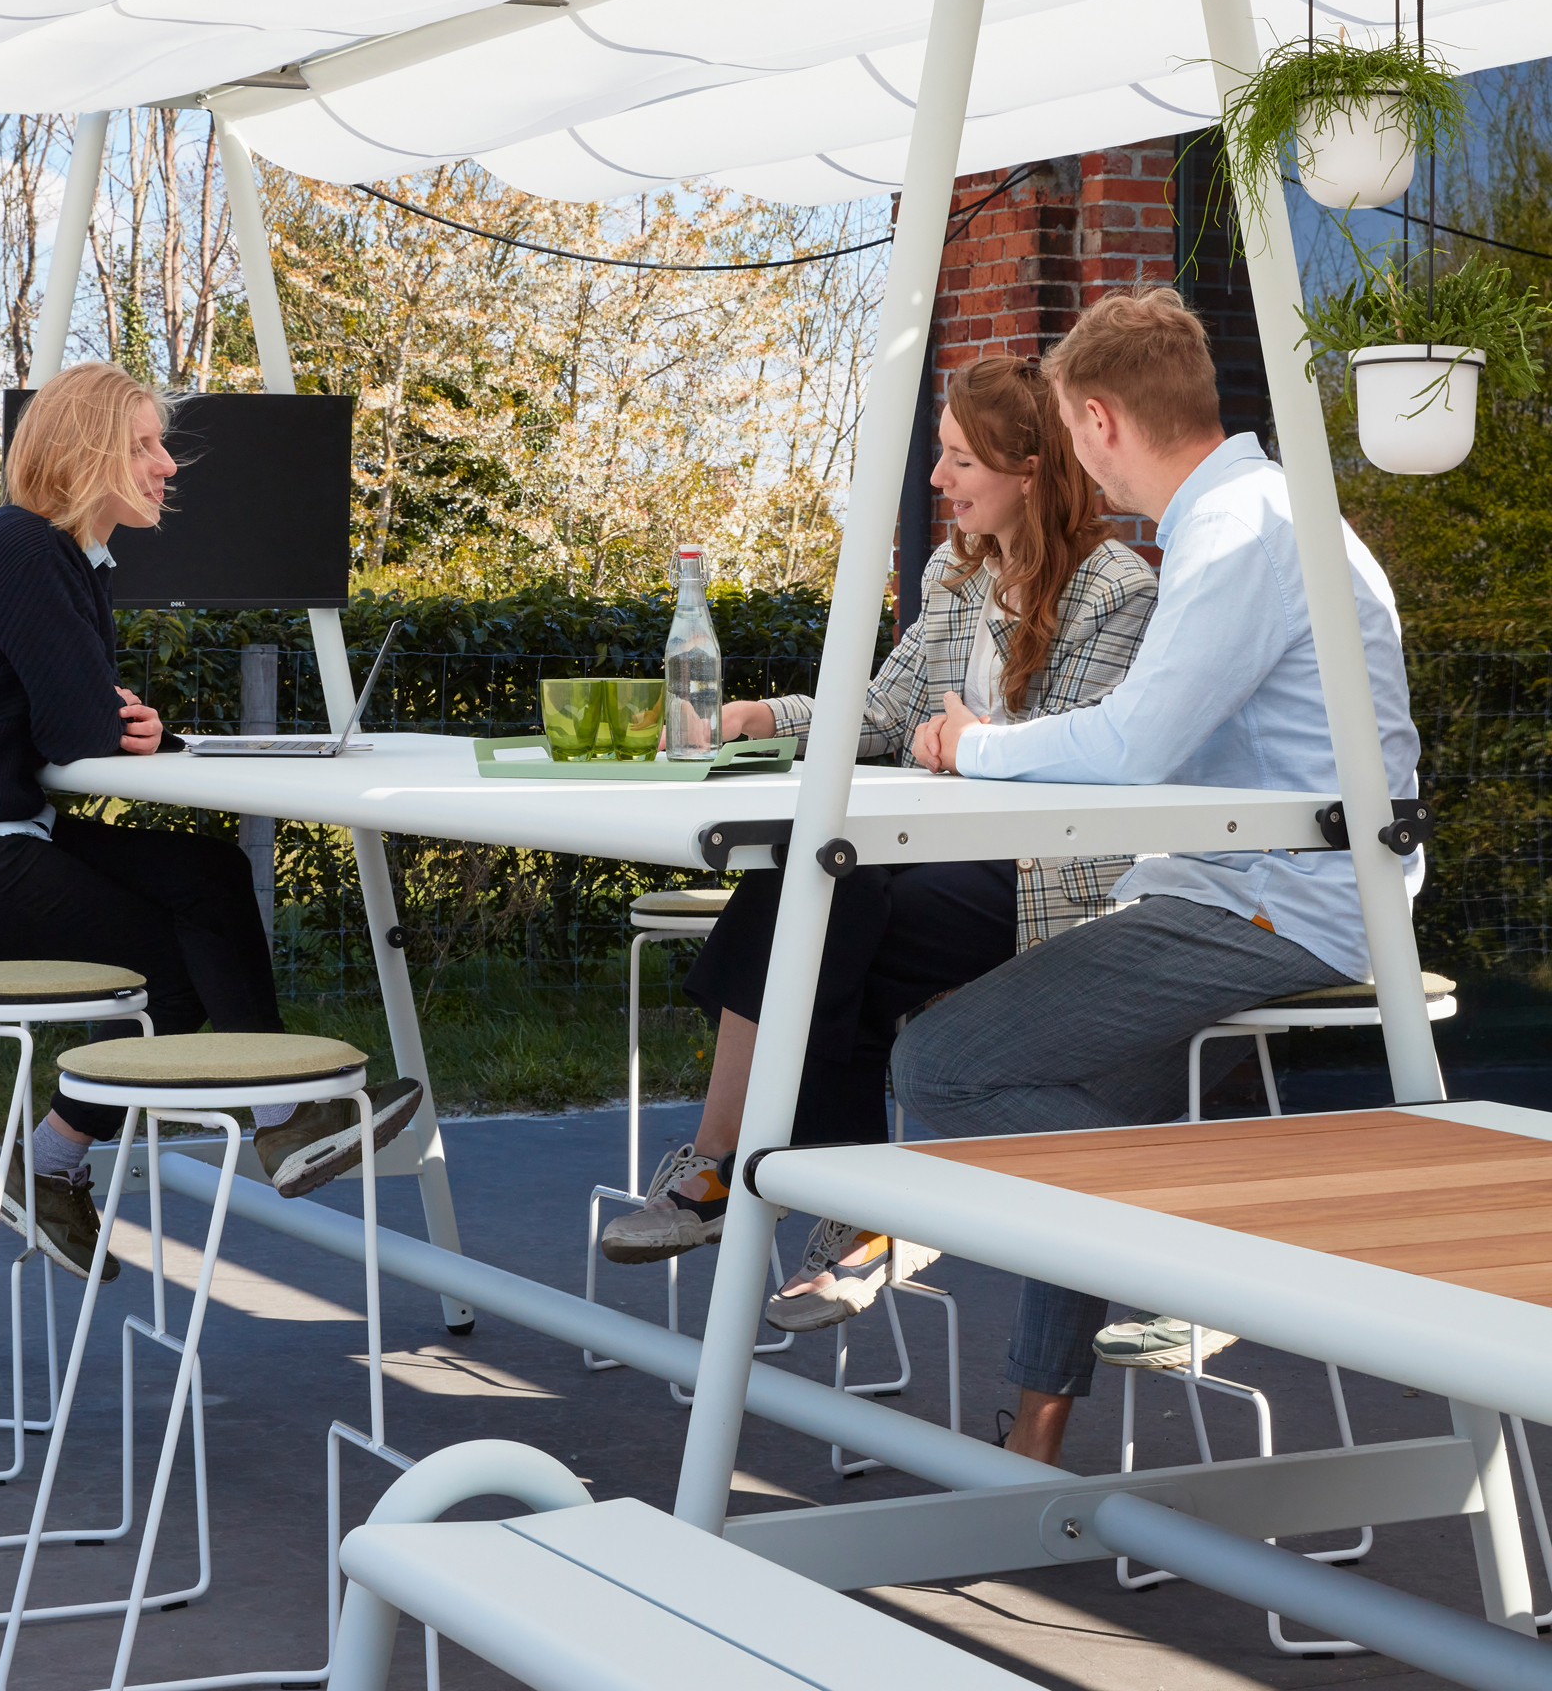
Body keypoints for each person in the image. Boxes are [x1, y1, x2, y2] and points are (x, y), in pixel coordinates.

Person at [894, 286, 1422, 1464]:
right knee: (1080, 1131)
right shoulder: (1260, 512)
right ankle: (1034, 1444)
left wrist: (972, 748)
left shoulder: (1234, 533)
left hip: (1272, 903)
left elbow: (1136, 743)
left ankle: (1222, 1251)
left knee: (939, 1063)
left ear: (1095, 421)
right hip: (1267, 888)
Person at [600, 356, 1157, 1327]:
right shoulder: (955, 571)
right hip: (927, 858)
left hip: (1043, 875)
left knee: (828, 904)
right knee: (817, 887)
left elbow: (1087, 760)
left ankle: (738, 1173)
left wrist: (969, 747)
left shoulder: (1116, 588)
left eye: (959, 458)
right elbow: (883, 711)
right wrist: (755, 717)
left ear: (1029, 468)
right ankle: (830, 1196)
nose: (937, 478)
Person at [0, 362, 422, 1280]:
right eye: (145, 445)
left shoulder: (71, 560)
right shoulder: (21, 547)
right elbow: (76, 726)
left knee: (210, 877)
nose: (167, 466)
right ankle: (248, 1123)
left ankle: (256, 1123)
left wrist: (146, 729)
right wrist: (124, 724)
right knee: (168, 964)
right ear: (86, 453)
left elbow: (77, 719)